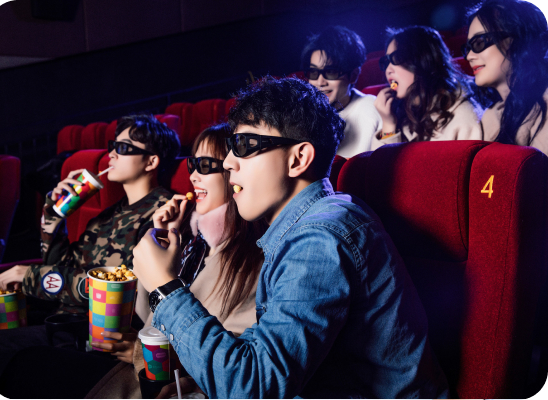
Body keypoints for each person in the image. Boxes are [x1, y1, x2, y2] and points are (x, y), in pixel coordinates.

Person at [132, 77, 450, 398]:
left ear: (298, 159)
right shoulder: (304, 228)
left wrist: (165, 287)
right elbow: (265, 356)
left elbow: (254, 387)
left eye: (244, 145)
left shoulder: (320, 237)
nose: (227, 163)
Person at [0, 114, 180, 385]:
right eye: (112, 145)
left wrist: (31, 276)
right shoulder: (107, 216)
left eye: (123, 148)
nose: (111, 153)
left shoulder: (163, 214)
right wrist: (53, 217)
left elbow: (124, 289)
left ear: (151, 161)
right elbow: (65, 265)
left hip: (94, 334)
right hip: (61, 317)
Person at [86, 123, 267, 399]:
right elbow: (147, 318)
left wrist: (141, 351)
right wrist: (161, 238)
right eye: (192, 164)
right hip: (138, 373)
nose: (193, 175)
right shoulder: (193, 242)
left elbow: (230, 360)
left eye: (205, 165)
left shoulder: (251, 255)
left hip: (164, 384)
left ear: (235, 172)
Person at [372, 25, 483, 149]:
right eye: (386, 62)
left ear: (423, 60)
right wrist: (388, 125)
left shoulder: (463, 115)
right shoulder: (398, 113)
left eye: (397, 58)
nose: (388, 70)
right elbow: (380, 162)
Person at [465, 0, 548, 155]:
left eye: (479, 43)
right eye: (468, 48)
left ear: (518, 40)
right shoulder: (490, 117)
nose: (469, 56)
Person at [301, 25, 382, 157]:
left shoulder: (373, 108)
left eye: (330, 72)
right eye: (313, 72)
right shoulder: (301, 114)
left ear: (353, 75)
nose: (320, 82)